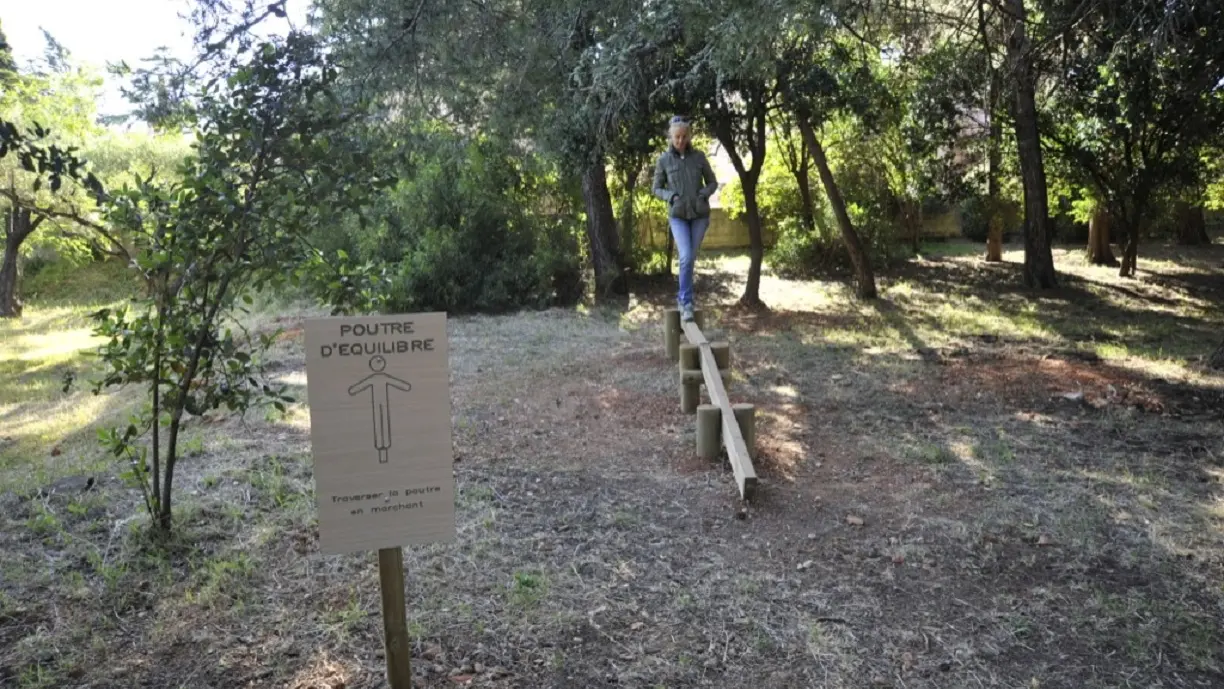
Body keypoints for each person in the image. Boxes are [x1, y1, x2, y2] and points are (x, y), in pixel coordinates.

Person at [653, 115, 718, 322]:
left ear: (689, 136)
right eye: (677, 137)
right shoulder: (664, 160)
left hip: (699, 215)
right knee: (686, 256)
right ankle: (686, 302)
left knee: (689, 259)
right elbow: (656, 188)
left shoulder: (698, 157)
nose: (680, 140)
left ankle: (684, 300)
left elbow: (712, 182)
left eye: (684, 136)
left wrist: (703, 193)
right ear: (671, 136)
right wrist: (670, 196)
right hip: (678, 216)